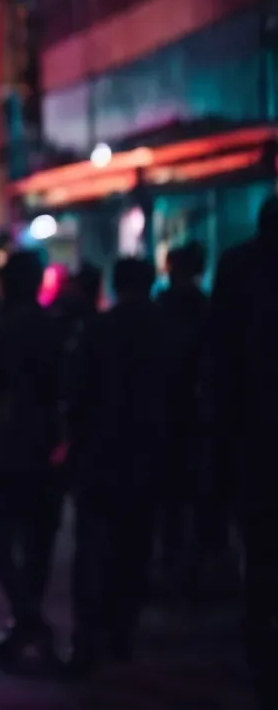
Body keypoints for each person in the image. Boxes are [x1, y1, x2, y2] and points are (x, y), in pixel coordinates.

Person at [65, 256, 168, 676]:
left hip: (99, 450)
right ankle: (123, 627)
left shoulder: (98, 329)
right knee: (135, 542)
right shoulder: (163, 329)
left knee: (93, 544)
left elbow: (76, 391)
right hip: (146, 451)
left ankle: (89, 635)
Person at [0, 248, 68, 668]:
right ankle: (29, 618)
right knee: (38, 540)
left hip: (5, 445)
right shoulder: (51, 327)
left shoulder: (0, 330)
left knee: (3, 541)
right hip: (45, 443)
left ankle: (27, 618)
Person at [210, 198, 277, 707]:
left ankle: (262, 662)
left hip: (252, 435)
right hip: (252, 430)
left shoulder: (237, 268)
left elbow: (220, 358)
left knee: (259, 554)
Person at [154, 242, 211, 594]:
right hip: (199, 414)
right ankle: (196, 567)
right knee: (199, 497)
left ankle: (173, 563)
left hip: (164, 414)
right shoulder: (206, 308)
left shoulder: (160, 309)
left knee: (169, 501)